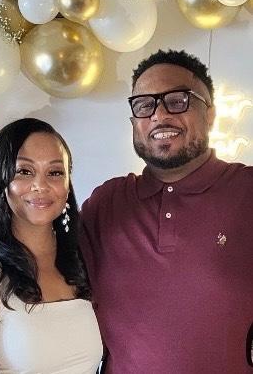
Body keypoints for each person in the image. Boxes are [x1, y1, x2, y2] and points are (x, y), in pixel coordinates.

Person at [79, 49, 253, 373]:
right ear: (134, 122)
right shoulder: (107, 204)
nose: (159, 115)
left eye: (177, 100)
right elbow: (49, 278)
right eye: (145, 105)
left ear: (210, 114)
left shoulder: (247, 191)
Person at [0, 118, 103, 373]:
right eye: (25, 171)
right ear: (1, 179)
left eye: (55, 172)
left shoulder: (81, 257)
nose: (41, 186)